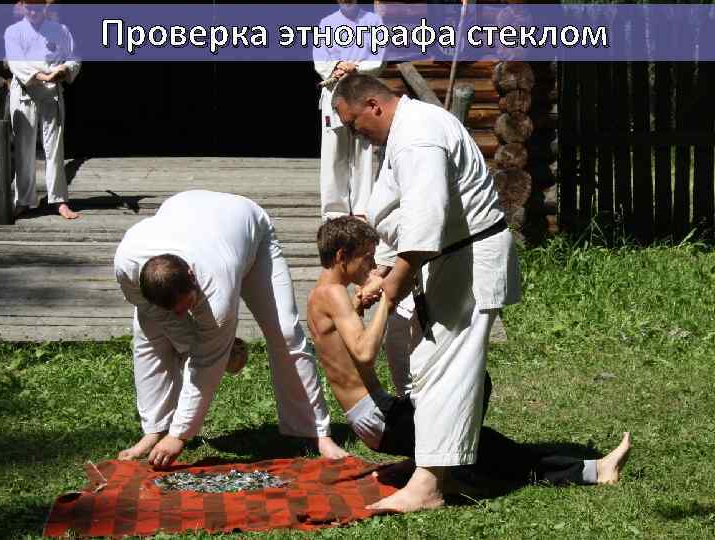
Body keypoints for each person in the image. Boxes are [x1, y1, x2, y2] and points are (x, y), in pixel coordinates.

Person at [307, 217, 631, 501]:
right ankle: (593, 471)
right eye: (366, 257)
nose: (371, 265)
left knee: (474, 402)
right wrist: (387, 301)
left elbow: (343, 351)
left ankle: (436, 463)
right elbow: (364, 353)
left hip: (376, 415)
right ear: (342, 256)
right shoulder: (334, 295)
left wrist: (359, 305)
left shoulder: (320, 295)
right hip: (379, 420)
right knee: (486, 443)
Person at [331, 73, 522, 512]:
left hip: (465, 259)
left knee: (446, 369)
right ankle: (437, 467)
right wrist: (383, 267)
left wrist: (395, 281)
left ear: (374, 106)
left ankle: (430, 484)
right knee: (428, 365)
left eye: (354, 123)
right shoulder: (404, 132)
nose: (355, 134)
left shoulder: (417, 136)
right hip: (447, 258)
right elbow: (397, 210)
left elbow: (425, 216)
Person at [113, 190, 347, 468]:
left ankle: (315, 432)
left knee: (284, 332)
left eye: (186, 305)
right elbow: (159, 316)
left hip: (247, 227)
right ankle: (156, 429)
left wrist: (181, 436)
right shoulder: (127, 266)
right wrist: (196, 342)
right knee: (149, 329)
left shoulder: (216, 286)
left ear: (192, 276)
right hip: (186, 213)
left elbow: (206, 365)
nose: (182, 315)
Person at [5, 0, 81, 220]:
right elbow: (17, 63)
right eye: (29, 6)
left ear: (45, 7)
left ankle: (59, 200)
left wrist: (64, 69)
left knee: (54, 148)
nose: (33, 11)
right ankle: (23, 200)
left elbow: (74, 57)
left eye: (37, 7)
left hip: (51, 94)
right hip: (25, 93)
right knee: (24, 148)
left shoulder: (60, 30)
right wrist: (43, 76)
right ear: (22, 6)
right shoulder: (14, 32)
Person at [313, 0, 384, 221]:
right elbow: (320, 59)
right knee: (334, 153)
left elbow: (379, 57)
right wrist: (336, 67)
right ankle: (334, 211)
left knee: (363, 151)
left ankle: (363, 209)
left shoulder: (374, 22)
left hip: (362, 93)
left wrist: (357, 67)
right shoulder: (326, 23)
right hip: (334, 93)